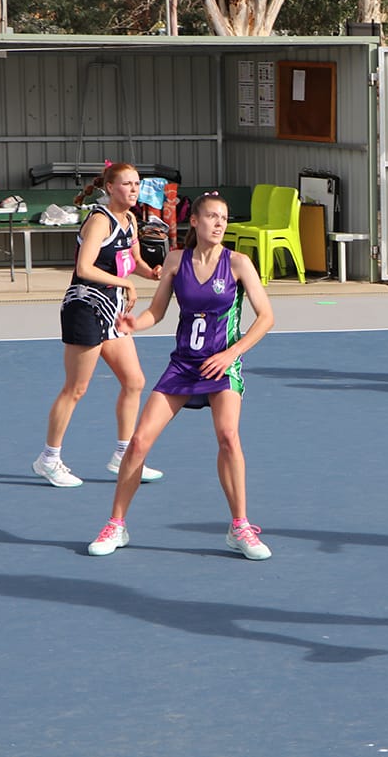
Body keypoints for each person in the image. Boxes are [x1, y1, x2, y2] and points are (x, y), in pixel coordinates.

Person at [87, 191, 276, 560]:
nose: (219, 224)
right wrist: (134, 324)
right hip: (183, 365)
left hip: (222, 364)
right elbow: (156, 312)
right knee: (139, 442)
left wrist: (231, 353)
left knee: (228, 437)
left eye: (224, 218)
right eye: (212, 217)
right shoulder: (176, 261)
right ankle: (116, 525)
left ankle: (239, 526)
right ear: (196, 221)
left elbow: (266, 317)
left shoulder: (238, 264)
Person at [32, 163, 164, 488]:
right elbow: (85, 267)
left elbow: (132, 261)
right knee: (76, 388)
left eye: (136, 184)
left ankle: (123, 454)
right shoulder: (98, 221)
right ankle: (48, 459)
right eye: (126, 184)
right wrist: (127, 284)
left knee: (134, 381)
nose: (133, 190)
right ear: (109, 187)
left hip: (111, 311)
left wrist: (151, 273)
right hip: (85, 307)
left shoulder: (131, 219)